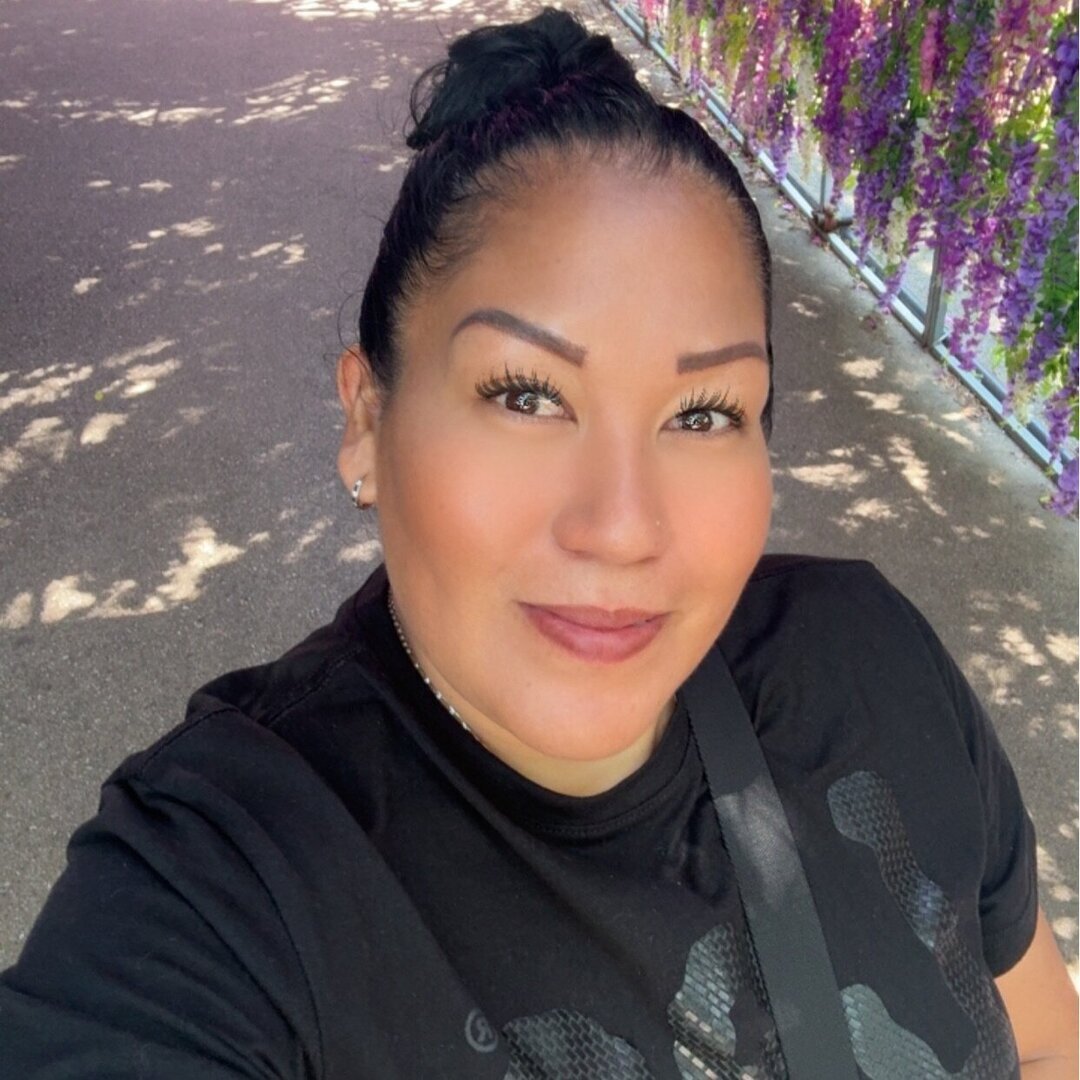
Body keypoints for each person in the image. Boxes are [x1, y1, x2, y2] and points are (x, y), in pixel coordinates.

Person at [1, 8, 1075, 1078]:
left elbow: (1043, 1044)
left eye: (703, 414)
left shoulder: (871, 664)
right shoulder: (228, 883)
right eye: (526, 396)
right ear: (367, 420)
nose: (621, 527)